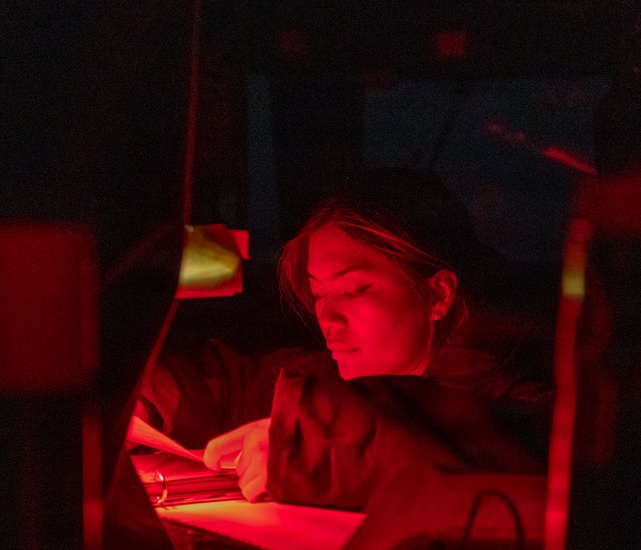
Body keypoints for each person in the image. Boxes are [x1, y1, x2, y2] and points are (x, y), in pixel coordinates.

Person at [137, 168, 550, 507]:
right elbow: (225, 383)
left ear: (437, 295)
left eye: (355, 290)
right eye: (318, 293)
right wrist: (140, 399)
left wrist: (312, 445)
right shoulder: (323, 378)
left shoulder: (510, 406)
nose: (327, 317)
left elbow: (521, 444)